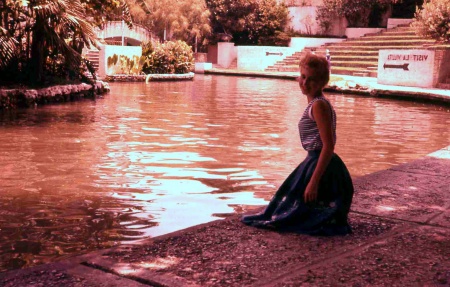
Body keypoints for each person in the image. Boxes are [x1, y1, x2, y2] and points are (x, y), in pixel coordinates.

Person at [241, 53, 354, 236]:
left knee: (287, 215)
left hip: (321, 163)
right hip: (313, 161)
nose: (305, 83)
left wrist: (313, 182)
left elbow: (328, 145)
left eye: (312, 79)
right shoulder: (317, 103)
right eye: (303, 77)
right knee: (285, 209)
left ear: (322, 82)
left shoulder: (318, 105)